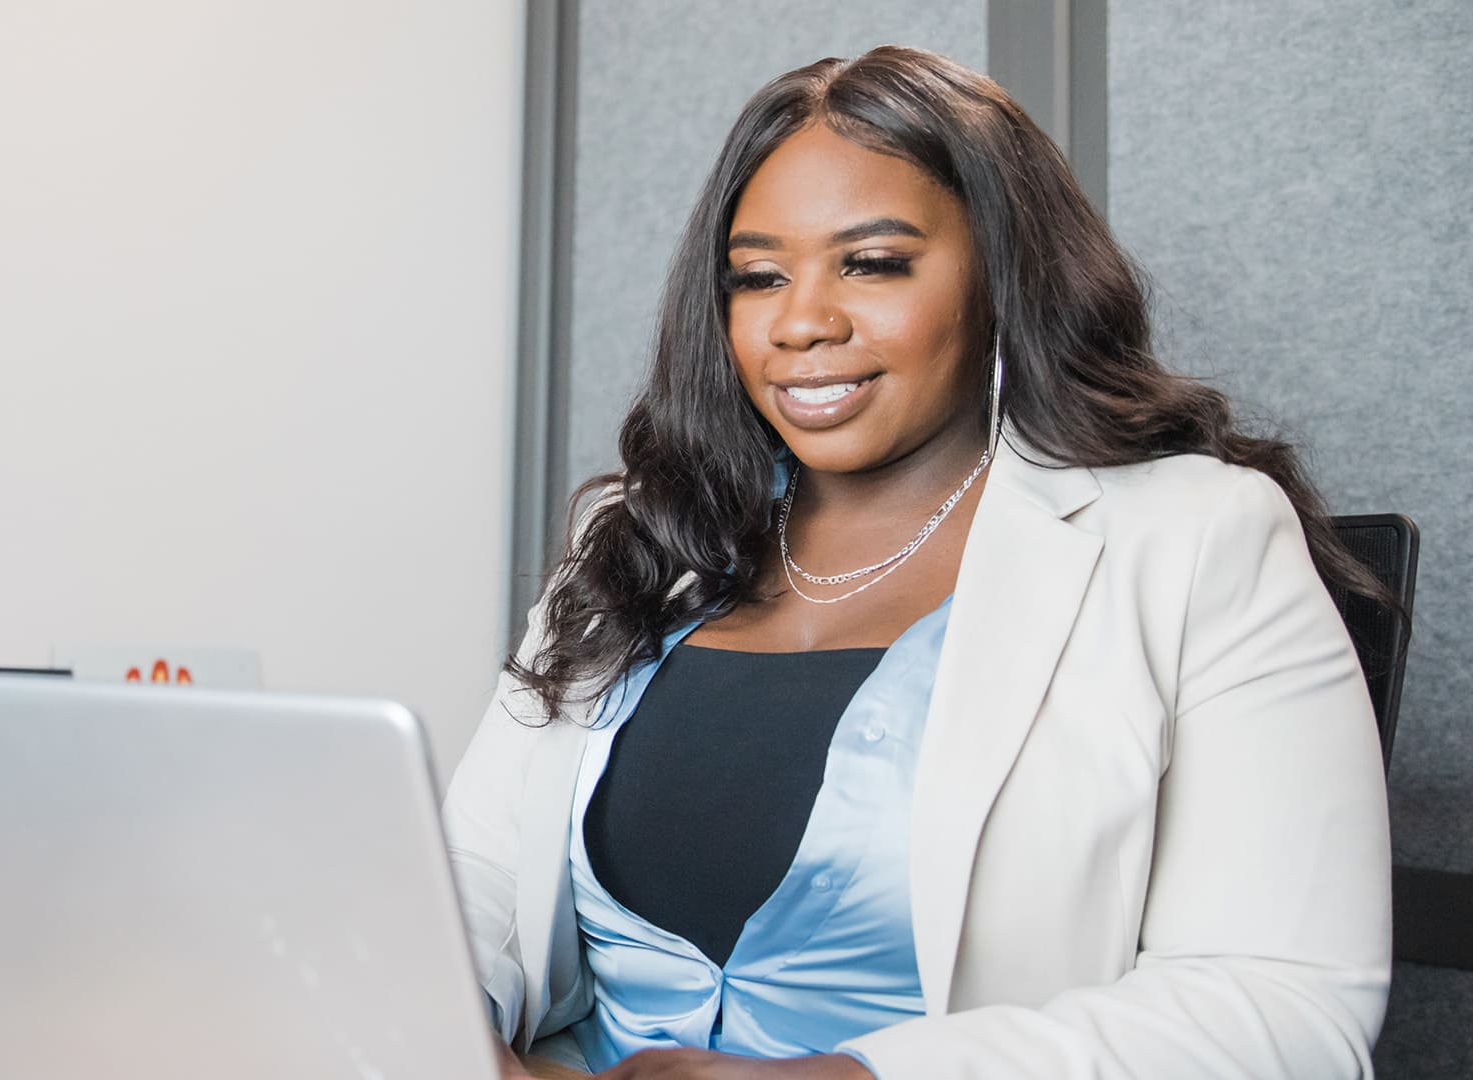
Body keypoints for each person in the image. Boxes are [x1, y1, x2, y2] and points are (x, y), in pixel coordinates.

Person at [443, 46, 1392, 1080]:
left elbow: (1284, 1004)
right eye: (759, 277)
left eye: (874, 263)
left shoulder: (1197, 540)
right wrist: (446, 1027)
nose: (803, 322)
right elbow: (479, 878)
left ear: (1003, 274)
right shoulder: (640, 542)